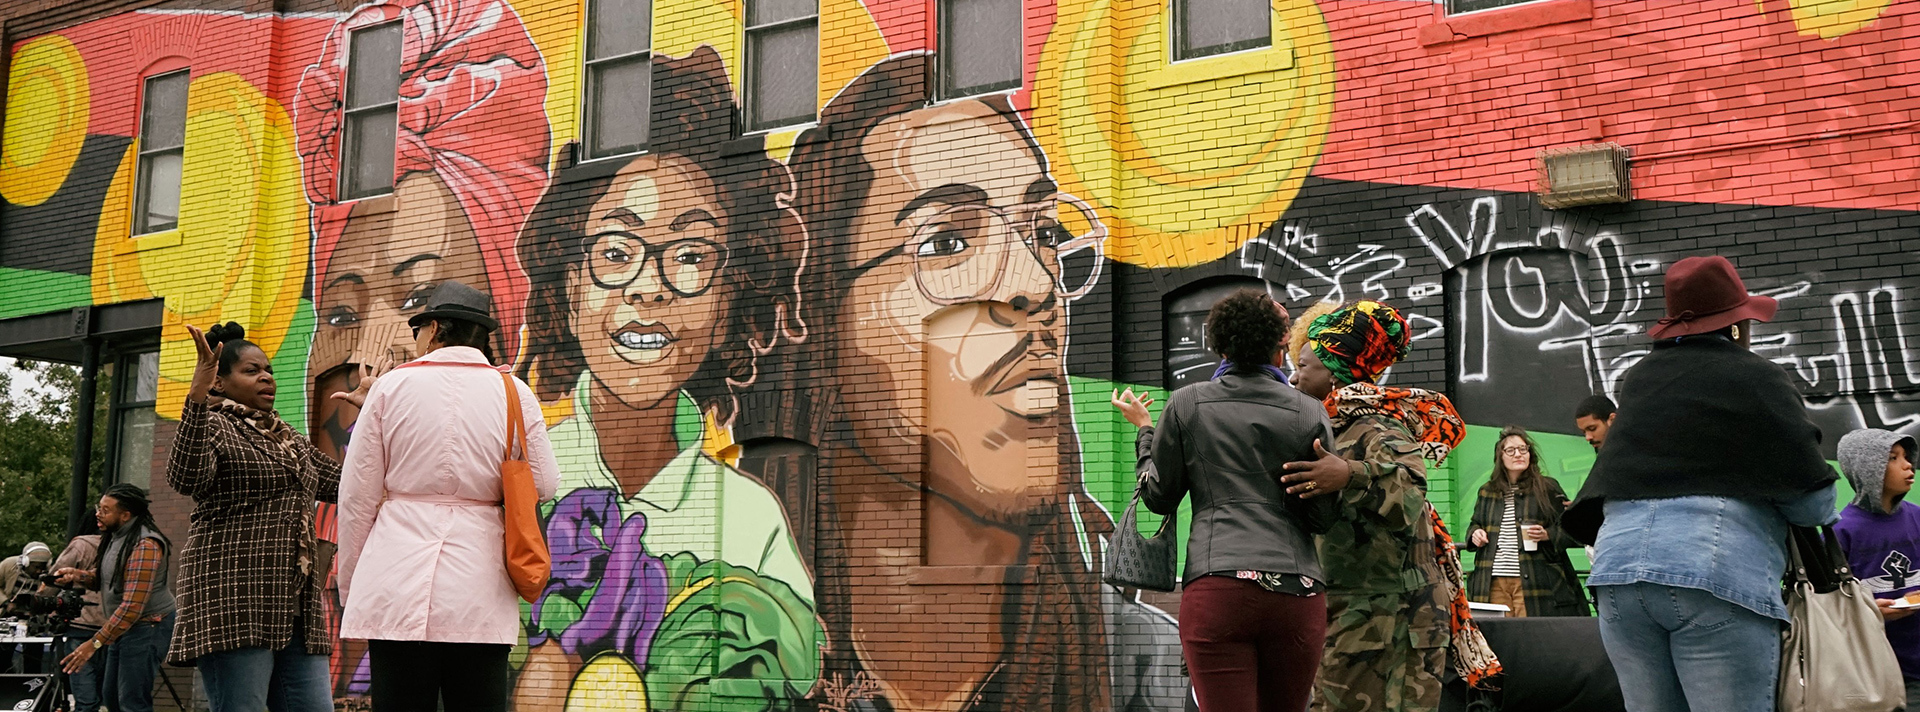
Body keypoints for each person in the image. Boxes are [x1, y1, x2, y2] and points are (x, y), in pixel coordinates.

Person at [509, 48, 818, 709]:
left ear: (732, 297)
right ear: (567, 285)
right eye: (615, 253)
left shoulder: (750, 517)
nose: (649, 288)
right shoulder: (525, 477)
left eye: (690, 255)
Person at [1563, 255, 1839, 712]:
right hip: (1713, 573)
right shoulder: (1758, 376)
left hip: (1617, 576)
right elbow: (1814, 508)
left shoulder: (1638, 380)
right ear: (1734, 327)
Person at [337, 280, 561, 712]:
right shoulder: (514, 392)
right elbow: (546, 484)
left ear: (434, 327)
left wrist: (353, 587)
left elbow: (357, 497)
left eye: (418, 328)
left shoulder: (389, 388)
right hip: (480, 586)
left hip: (394, 583)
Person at [1115, 289, 1335, 711]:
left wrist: (1145, 434)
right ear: (1281, 344)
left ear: (1216, 344)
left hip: (1219, 587)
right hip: (1297, 590)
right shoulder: (1310, 411)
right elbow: (1322, 516)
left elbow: (1158, 496)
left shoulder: (1187, 403)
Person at [1276, 299, 1483, 712]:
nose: (1294, 378)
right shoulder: (1327, 425)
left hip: (1395, 615)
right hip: (1353, 606)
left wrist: (1348, 474)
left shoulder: (1375, 424)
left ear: (1335, 373)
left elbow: (1409, 492)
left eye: (1304, 367)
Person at [165, 322, 354, 712]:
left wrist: (371, 419)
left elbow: (349, 484)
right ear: (219, 382)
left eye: (268, 369)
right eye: (251, 370)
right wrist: (196, 395)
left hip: (295, 601)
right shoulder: (213, 424)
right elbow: (186, 476)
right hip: (235, 596)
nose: (266, 377)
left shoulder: (287, 438)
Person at [53, 485, 174, 712]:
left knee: (132, 702)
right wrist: (78, 575)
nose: (98, 513)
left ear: (125, 515)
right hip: (125, 628)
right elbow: (110, 579)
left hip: (147, 627)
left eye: (106, 510)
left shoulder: (145, 545)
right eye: (99, 508)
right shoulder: (116, 537)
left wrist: (93, 644)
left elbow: (132, 607)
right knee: (112, 698)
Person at [1833, 428, 1920, 709]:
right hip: (1881, 672)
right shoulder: (1840, 531)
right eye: (1894, 458)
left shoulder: (1918, 516)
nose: (1908, 465)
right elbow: (1829, 608)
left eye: (1907, 457)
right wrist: (1869, 612)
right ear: (1867, 468)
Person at [1461, 426, 1590, 617]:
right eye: (1510, 450)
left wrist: (1548, 534)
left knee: (1530, 635)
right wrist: (1475, 534)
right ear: (1501, 456)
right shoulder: (1487, 490)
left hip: (1536, 579)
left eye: (1523, 449)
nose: (1518, 454)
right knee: (1499, 637)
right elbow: (1475, 523)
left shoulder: (1547, 487)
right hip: (1492, 580)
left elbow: (1573, 529)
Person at [47, 522, 107, 712]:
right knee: (110, 697)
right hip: (112, 630)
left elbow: (53, 579)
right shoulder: (124, 545)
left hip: (82, 627)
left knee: (86, 698)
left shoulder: (81, 545)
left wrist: (40, 604)